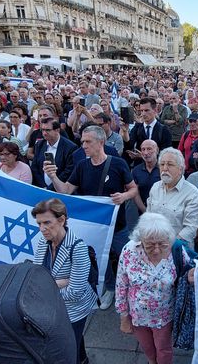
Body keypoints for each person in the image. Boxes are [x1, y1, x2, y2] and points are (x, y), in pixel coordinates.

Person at [45, 125, 137, 311]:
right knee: (99, 257)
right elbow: (66, 191)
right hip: (94, 226)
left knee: (128, 257)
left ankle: (134, 288)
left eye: (88, 142)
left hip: (117, 226)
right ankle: (110, 288)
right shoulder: (81, 166)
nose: (83, 146)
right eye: (82, 142)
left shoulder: (118, 164)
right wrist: (53, 176)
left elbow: (133, 189)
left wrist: (124, 197)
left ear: (101, 142)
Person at [115, 213, 198, 364]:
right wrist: (123, 316)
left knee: (163, 349)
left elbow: (189, 273)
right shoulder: (129, 251)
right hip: (138, 315)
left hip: (164, 315)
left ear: (169, 239)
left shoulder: (177, 250)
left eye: (162, 244)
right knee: (147, 347)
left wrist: (192, 276)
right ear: (140, 239)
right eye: (150, 244)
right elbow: (121, 285)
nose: (156, 250)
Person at [31, 198, 96, 364]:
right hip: (53, 307)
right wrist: (60, 282)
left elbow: (75, 293)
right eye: (39, 223)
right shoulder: (42, 242)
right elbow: (37, 277)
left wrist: (47, 288)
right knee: (75, 340)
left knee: (66, 352)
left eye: (47, 222)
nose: (42, 229)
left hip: (74, 310)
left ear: (61, 220)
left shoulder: (78, 248)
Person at [146, 148, 198, 247]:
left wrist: (167, 246)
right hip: (154, 248)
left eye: (170, 164)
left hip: (178, 248)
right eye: (162, 164)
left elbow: (190, 228)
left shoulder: (192, 193)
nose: (165, 168)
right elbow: (148, 218)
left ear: (180, 169)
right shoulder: (155, 187)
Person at [121, 97, 172, 164]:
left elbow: (166, 153)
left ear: (155, 110)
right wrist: (125, 132)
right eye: (141, 111)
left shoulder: (164, 130)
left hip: (157, 168)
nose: (143, 114)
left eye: (146, 110)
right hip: (140, 167)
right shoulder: (137, 127)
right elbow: (129, 146)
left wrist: (143, 156)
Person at [30, 118, 76, 188]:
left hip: (60, 191)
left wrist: (51, 188)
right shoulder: (39, 144)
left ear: (57, 130)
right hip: (42, 188)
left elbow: (68, 172)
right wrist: (43, 186)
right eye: (42, 130)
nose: (44, 133)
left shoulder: (70, 147)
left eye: (48, 130)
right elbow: (35, 167)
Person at [131, 140, 160, 214]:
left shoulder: (164, 169)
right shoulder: (136, 171)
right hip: (143, 213)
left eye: (149, 149)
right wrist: (145, 211)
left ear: (157, 150)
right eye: (143, 149)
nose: (146, 153)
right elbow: (135, 192)